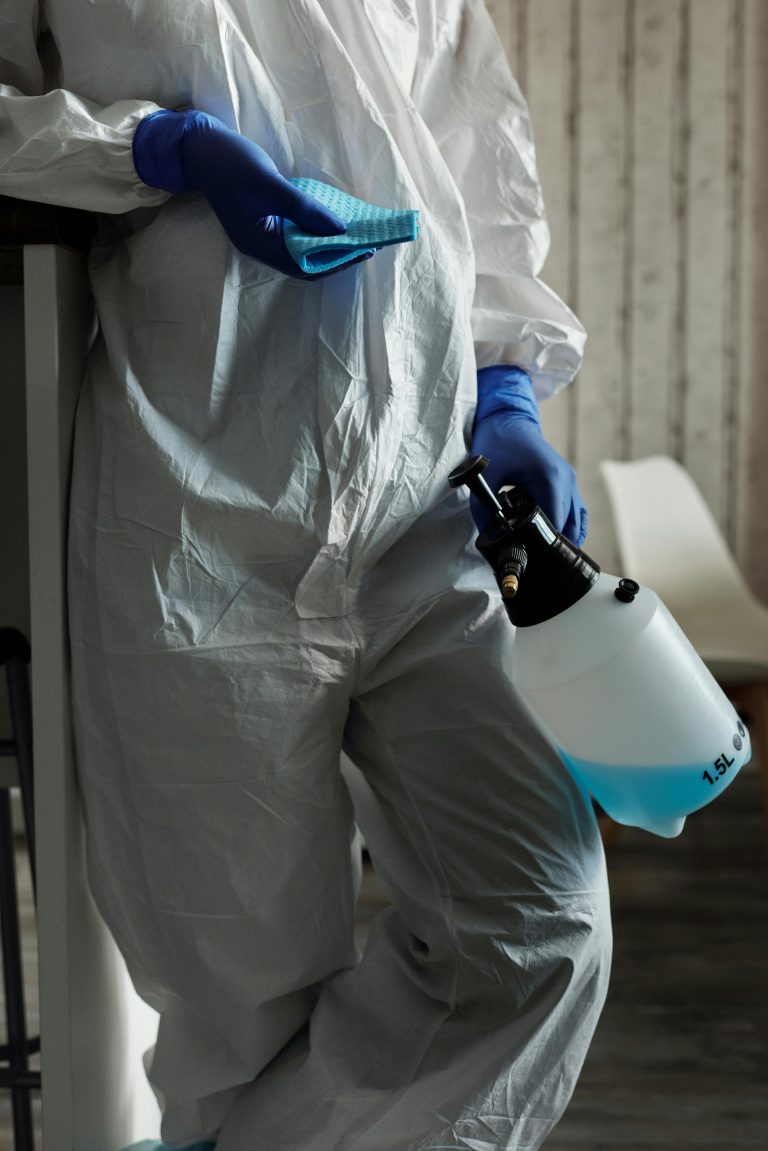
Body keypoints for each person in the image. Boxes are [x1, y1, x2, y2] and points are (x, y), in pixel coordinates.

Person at [0, 2, 611, 1148]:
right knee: (240, 1010)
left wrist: (509, 390)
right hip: (201, 515)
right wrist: (150, 150)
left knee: (543, 928)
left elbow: (476, 165)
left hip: (430, 498)